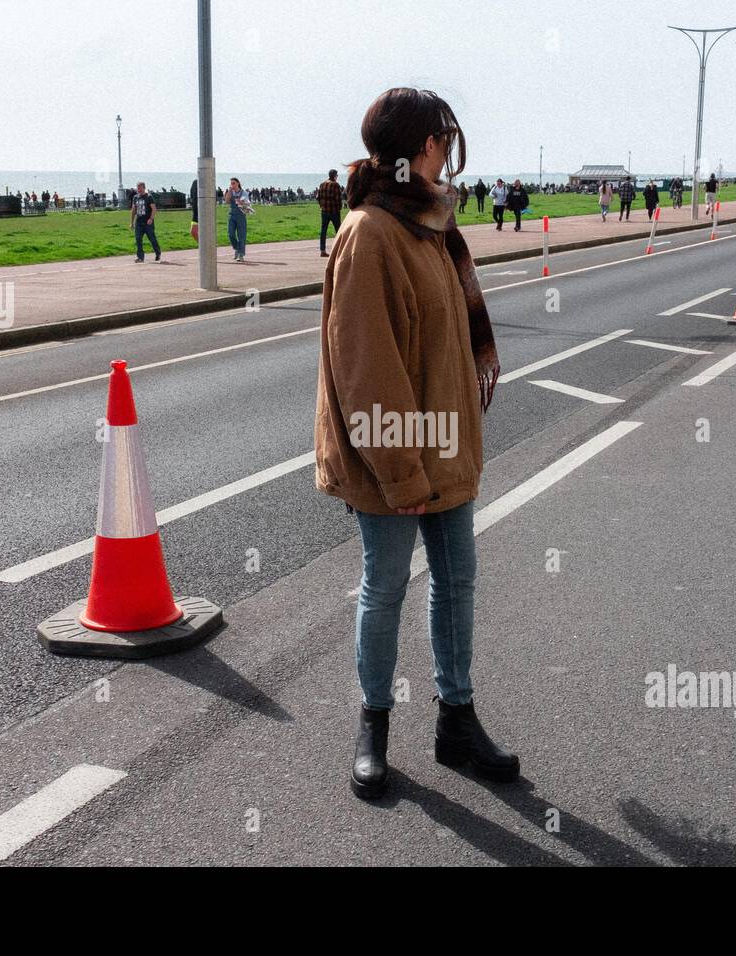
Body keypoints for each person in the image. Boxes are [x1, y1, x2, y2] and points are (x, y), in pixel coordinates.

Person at [313, 87, 518, 801]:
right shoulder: (371, 233)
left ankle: (456, 721)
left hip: (447, 446)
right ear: (421, 149)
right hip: (392, 456)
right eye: (445, 138)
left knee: (457, 582)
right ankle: (373, 726)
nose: (451, 151)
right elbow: (366, 367)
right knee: (386, 588)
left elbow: (448, 344)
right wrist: (400, 476)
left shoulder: (432, 227)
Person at [129, 182, 161, 262]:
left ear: (144, 188)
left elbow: (154, 209)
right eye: (137, 188)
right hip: (139, 222)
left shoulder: (149, 197)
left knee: (152, 238)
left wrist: (151, 218)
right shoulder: (135, 197)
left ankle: (158, 253)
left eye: (140, 188)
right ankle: (140, 257)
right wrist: (131, 222)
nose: (138, 190)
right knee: (138, 239)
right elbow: (133, 210)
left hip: (148, 222)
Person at [316, 169, 344, 257]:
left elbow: (318, 197)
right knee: (338, 231)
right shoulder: (335, 185)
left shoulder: (322, 184)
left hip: (324, 211)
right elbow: (338, 198)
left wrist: (322, 206)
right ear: (334, 176)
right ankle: (340, 250)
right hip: (334, 211)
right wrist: (339, 208)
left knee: (323, 231)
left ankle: (322, 250)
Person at [226, 177, 249, 261]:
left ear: (238, 183)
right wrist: (229, 191)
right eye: (231, 183)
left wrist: (242, 201)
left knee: (241, 236)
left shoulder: (244, 192)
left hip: (241, 216)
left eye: (234, 183)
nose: (232, 185)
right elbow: (227, 201)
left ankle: (241, 254)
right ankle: (236, 248)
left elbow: (246, 201)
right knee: (230, 233)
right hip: (232, 215)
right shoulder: (230, 192)